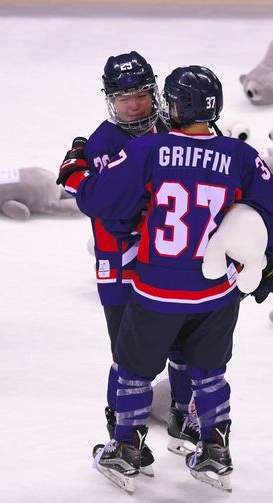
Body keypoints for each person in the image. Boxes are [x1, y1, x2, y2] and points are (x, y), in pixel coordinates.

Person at [57, 65, 273, 493]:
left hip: (157, 290)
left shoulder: (150, 149)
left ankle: (126, 449)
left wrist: (77, 172)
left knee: (132, 369)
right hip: (215, 292)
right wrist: (261, 259)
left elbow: (106, 202)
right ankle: (214, 451)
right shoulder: (241, 156)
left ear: (172, 105)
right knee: (210, 372)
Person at [59, 51, 199, 472]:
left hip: (166, 262)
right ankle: (121, 431)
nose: (134, 105)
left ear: (153, 92)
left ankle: (182, 414)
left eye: (140, 94)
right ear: (110, 100)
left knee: (182, 342)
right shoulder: (102, 142)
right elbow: (107, 208)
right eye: (123, 98)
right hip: (120, 264)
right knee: (128, 353)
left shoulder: (170, 129)